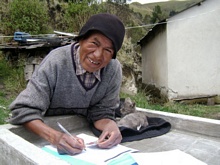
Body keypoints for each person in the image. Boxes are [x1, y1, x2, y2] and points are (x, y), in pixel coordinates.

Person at [9, 13, 125, 155]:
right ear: (81, 40)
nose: (97, 55)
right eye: (94, 43)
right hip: (43, 137)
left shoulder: (112, 70)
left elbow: (102, 111)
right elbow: (23, 110)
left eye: (108, 50)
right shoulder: (56, 62)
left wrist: (110, 125)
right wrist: (55, 137)